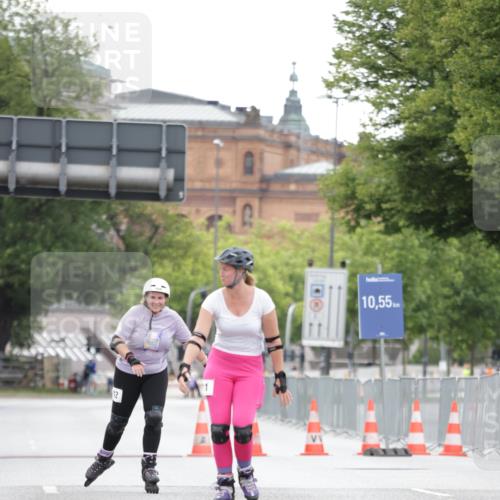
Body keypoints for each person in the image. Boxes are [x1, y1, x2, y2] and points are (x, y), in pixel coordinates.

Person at [178, 247, 292, 500]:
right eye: (221, 268)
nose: (222, 273)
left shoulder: (262, 300)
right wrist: (185, 366)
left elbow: (274, 341)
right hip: (218, 366)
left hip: (250, 369)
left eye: (227, 268)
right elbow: (198, 336)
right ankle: (224, 481)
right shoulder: (214, 300)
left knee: (243, 428)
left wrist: (280, 376)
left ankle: (246, 474)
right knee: (218, 428)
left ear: (241, 271)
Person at [84, 277, 207, 494]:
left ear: (166, 299)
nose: (156, 301)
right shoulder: (134, 313)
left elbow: (191, 344)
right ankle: (103, 458)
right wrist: (132, 359)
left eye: (160, 298)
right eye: (152, 297)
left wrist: (210, 365)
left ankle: (149, 465)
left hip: (155, 373)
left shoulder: (172, 318)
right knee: (117, 422)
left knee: (155, 417)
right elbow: (116, 340)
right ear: (146, 297)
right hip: (127, 372)